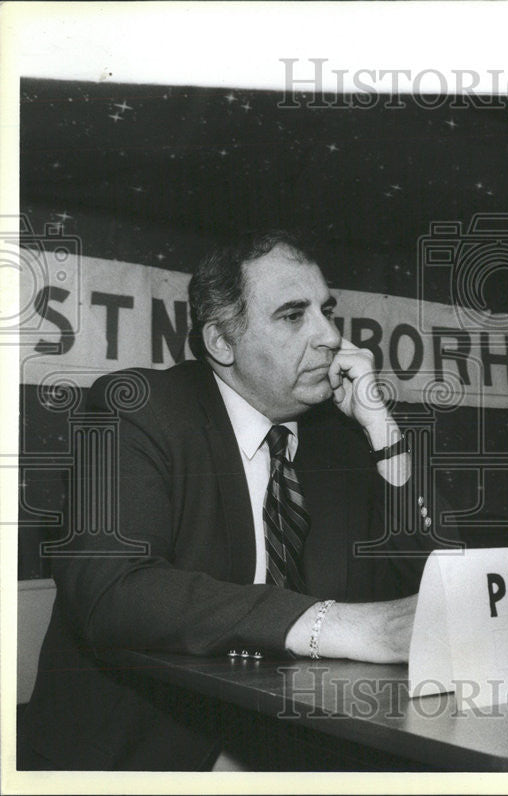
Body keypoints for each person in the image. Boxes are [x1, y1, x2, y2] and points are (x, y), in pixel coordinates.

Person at [21, 231, 450, 770]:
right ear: (222, 342)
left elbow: (442, 585)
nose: (331, 337)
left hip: (298, 742)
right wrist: (331, 623)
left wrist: (381, 427)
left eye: (326, 310)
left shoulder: (336, 440)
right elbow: (113, 589)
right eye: (294, 316)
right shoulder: (134, 410)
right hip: (144, 753)